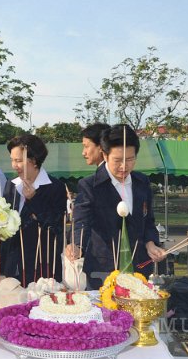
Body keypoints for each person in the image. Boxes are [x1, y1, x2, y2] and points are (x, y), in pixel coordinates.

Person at [70, 124, 166, 289]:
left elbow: (148, 221)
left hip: (139, 268)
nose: (124, 167)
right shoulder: (89, 186)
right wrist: (76, 245)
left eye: (130, 160)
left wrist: (151, 243)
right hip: (103, 271)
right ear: (105, 155)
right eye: (117, 160)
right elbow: (81, 221)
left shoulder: (142, 182)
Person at [0, 134, 67, 286]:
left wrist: (34, 199)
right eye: (12, 160)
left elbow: (56, 226)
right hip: (14, 265)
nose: (14, 165)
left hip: (43, 267)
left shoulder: (55, 187)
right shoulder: (11, 185)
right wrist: (1, 267)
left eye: (18, 160)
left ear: (34, 160)